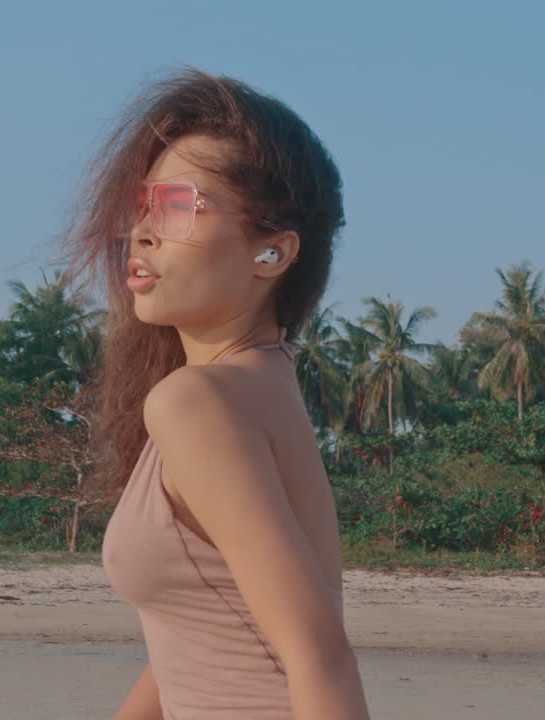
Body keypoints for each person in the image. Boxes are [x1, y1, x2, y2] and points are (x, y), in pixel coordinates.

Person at [74, 69, 369, 719]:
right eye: (145, 205)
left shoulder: (196, 403)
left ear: (273, 253)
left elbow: (319, 657)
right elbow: (207, 635)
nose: (143, 232)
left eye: (180, 205)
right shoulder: (260, 388)